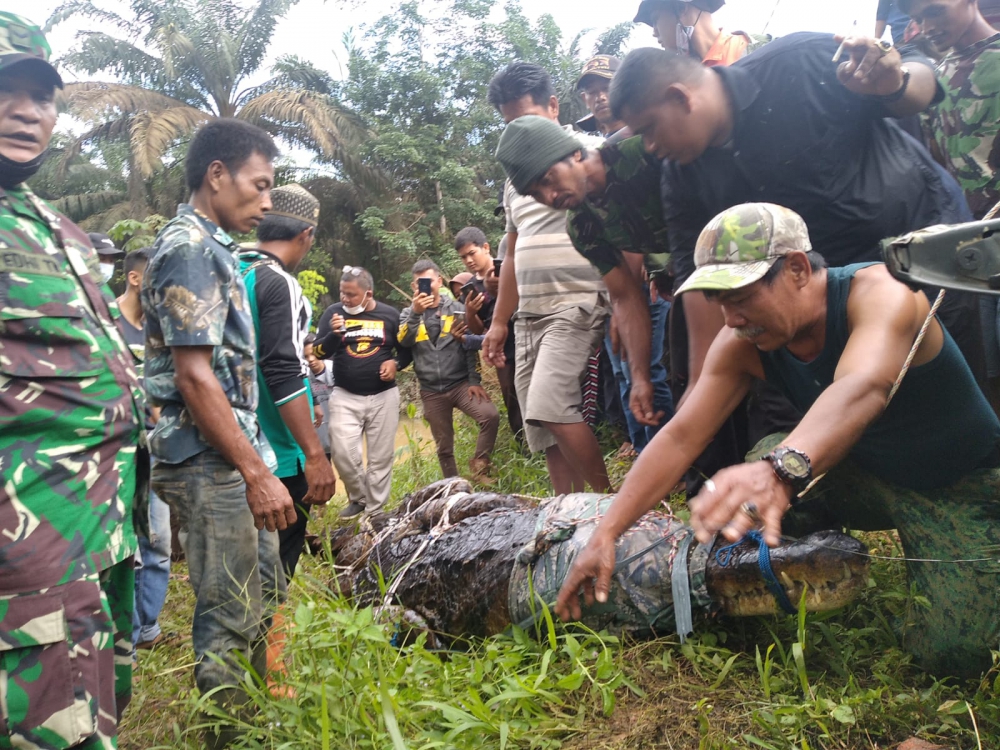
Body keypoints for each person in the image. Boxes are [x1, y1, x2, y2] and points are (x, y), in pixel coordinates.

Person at [556, 202, 1000, 678]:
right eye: (719, 301)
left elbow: (862, 386)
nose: (730, 319)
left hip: (958, 485)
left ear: (797, 269)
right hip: (865, 470)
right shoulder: (742, 342)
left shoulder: (883, 294)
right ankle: (791, 577)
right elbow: (681, 435)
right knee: (744, 491)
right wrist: (606, 534)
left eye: (741, 296)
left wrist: (779, 471)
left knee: (950, 660)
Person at [609, 37, 982, 419]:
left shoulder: (800, 65)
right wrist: (701, 386)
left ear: (680, 97)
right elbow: (701, 282)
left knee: (965, 394)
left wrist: (895, 82)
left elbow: (917, 79)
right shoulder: (681, 175)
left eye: (649, 128)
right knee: (873, 416)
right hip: (829, 302)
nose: (650, 146)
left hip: (926, 260)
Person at [0, 13, 145, 747]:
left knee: (89, 719)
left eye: (42, 95)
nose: (27, 110)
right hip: (20, 552)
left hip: (96, 536)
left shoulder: (56, 228)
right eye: (5, 89)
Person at [142, 117, 294, 743]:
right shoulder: (189, 249)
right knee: (230, 612)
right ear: (216, 175)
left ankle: (259, 726)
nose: (266, 202)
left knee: (263, 593)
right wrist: (257, 474)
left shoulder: (216, 248)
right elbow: (195, 377)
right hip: (209, 462)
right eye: (258, 186)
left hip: (232, 457)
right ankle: (232, 736)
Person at [495, 117, 676, 453]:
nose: (549, 196)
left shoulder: (638, 153)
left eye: (548, 179)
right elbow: (623, 296)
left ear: (575, 154)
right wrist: (639, 378)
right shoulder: (581, 225)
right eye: (536, 194)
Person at [484, 61, 613, 493]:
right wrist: (500, 322)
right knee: (540, 423)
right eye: (509, 125)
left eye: (526, 119)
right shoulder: (514, 179)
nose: (518, 134)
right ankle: (567, 514)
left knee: (551, 404)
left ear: (554, 106)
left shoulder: (591, 153)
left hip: (577, 301)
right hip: (530, 312)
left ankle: (609, 507)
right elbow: (513, 252)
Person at [238, 183, 337, 579]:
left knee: (239, 570)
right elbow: (282, 369)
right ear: (305, 235)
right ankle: (267, 639)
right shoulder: (279, 283)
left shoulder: (230, 269)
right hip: (276, 452)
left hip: (230, 446)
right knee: (275, 567)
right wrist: (314, 455)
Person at [115, 247, 173, 651]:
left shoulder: (163, 326)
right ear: (137, 279)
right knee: (122, 546)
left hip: (156, 449)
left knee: (158, 541)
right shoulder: (103, 322)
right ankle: (126, 635)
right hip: (115, 452)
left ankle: (147, 625)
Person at [399, 259, 499, 481]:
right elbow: (404, 342)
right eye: (418, 284)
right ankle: (454, 488)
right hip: (431, 390)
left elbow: (468, 347)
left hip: (461, 384)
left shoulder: (457, 309)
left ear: (439, 281)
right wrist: (416, 312)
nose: (424, 287)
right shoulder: (407, 314)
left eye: (428, 282)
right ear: (413, 287)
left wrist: (474, 380)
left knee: (489, 416)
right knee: (444, 447)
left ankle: (480, 466)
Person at [314, 266, 403, 516]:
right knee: (342, 450)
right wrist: (333, 334)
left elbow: (406, 352)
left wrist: (394, 364)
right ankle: (359, 497)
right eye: (342, 293)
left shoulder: (390, 315)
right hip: (345, 394)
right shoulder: (334, 313)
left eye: (351, 295)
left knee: (380, 457)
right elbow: (319, 352)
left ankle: (375, 511)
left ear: (368, 293)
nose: (345, 299)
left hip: (383, 395)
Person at [454, 226, 524, 441]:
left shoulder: (509, 268)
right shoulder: (471, 288)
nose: (468, 260)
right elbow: (478, 329)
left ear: (485, 247)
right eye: (463, 257)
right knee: (511, 398)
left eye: (472, 253)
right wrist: (470, 312)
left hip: (528, 338)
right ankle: (525, 448)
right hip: (504, 351)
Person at [633, 0, 764, 66]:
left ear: (681, 8)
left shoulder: (752, 49)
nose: (654, 33)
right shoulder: (682, 76)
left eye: (656, 20)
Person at [575, 55, 626, 135]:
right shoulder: (600, 147)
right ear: (585, 99)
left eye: (607, 88)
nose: (600, 98)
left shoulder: (649, 136)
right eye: (592, 92)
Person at [303, 333, 334, 460]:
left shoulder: (336, 370)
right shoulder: (303, 378)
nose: (310, 359)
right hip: (318, 442)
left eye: (313, 354)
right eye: (306, 356)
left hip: (339, 436)